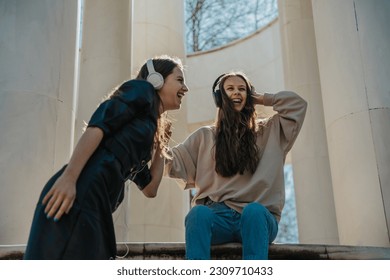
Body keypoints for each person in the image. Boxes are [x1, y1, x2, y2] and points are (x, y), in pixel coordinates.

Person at [24, 55, 189, 260]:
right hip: (81, 192)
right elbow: (98, 126)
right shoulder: (142, 89)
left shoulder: (146, 125)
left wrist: (161, 145)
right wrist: (69, 178)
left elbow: (150, 188)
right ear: (157, 80)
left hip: (97, 203)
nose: (186, 88)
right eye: (180, 80)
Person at [165, 71, 307, 259]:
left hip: (258, 220)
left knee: (254, 212)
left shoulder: (271, 131)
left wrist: (260, 98)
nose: (237, 93)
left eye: (242, 89)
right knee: (197, 214)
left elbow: (297, 105)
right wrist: (158, 140)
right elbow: (172, 163)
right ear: (219, 98)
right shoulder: (205, 136)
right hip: (217, 217)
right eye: (230, 89)